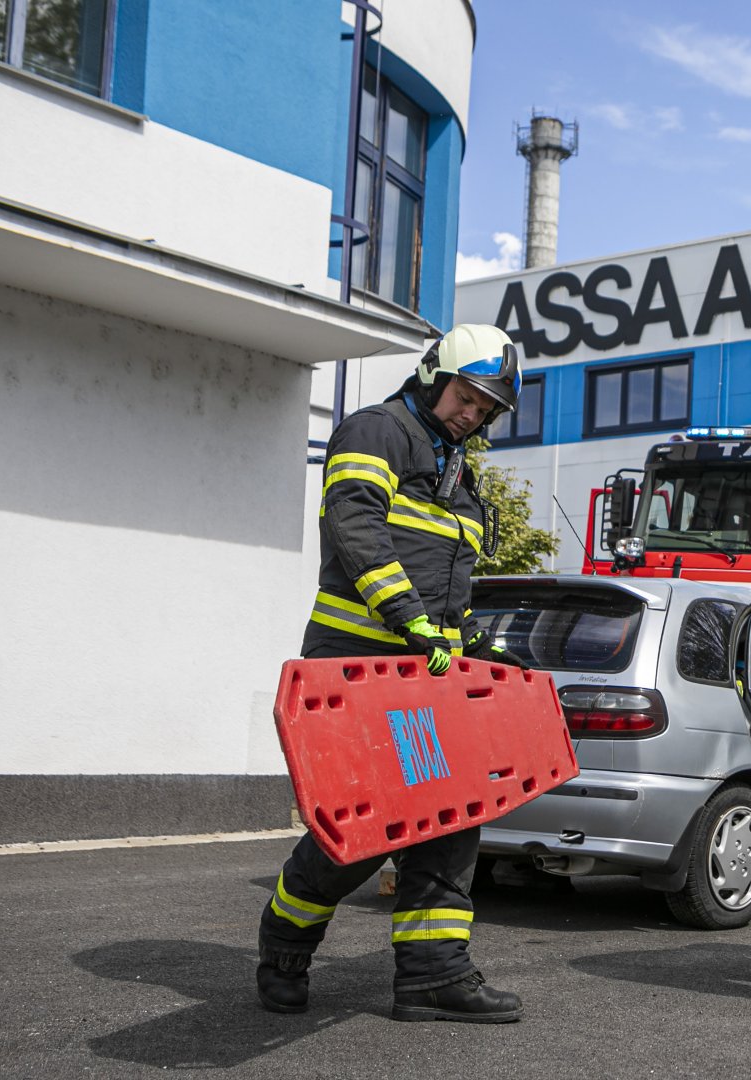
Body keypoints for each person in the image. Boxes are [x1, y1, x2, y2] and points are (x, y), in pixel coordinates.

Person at [256, 325, 527, 1023]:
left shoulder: (457, 474)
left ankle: (433, 976)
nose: (474, 414)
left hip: (421, 677)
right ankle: (285, 944)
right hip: (351, 669)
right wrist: (408, 616)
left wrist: (475, 649)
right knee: (361, 828)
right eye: (468, 397)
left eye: (486, 408)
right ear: (436, 377)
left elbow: (452, 590)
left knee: (450, 817)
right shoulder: (374, 431)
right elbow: (356, 527)